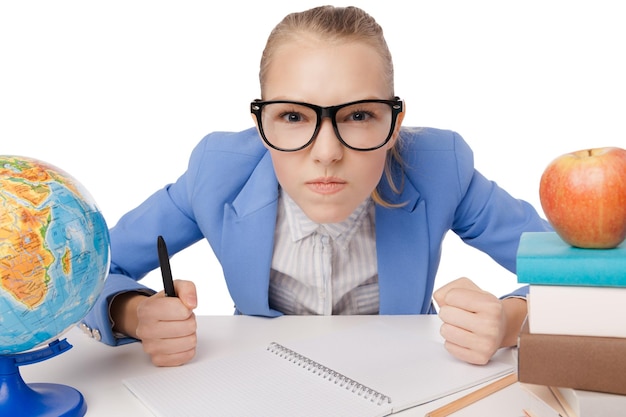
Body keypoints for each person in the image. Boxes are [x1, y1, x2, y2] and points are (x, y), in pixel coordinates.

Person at [81, 5, 551, 368]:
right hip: (260, 386)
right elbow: (90, 267)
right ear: (261, 120)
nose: (326, 152)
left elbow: (583, 276)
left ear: (394, 122)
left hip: (406, 384)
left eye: (360, 115)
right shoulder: (216, 173)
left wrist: (511, 321)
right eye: (293, 116)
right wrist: (135, 313)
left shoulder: (440, 167)